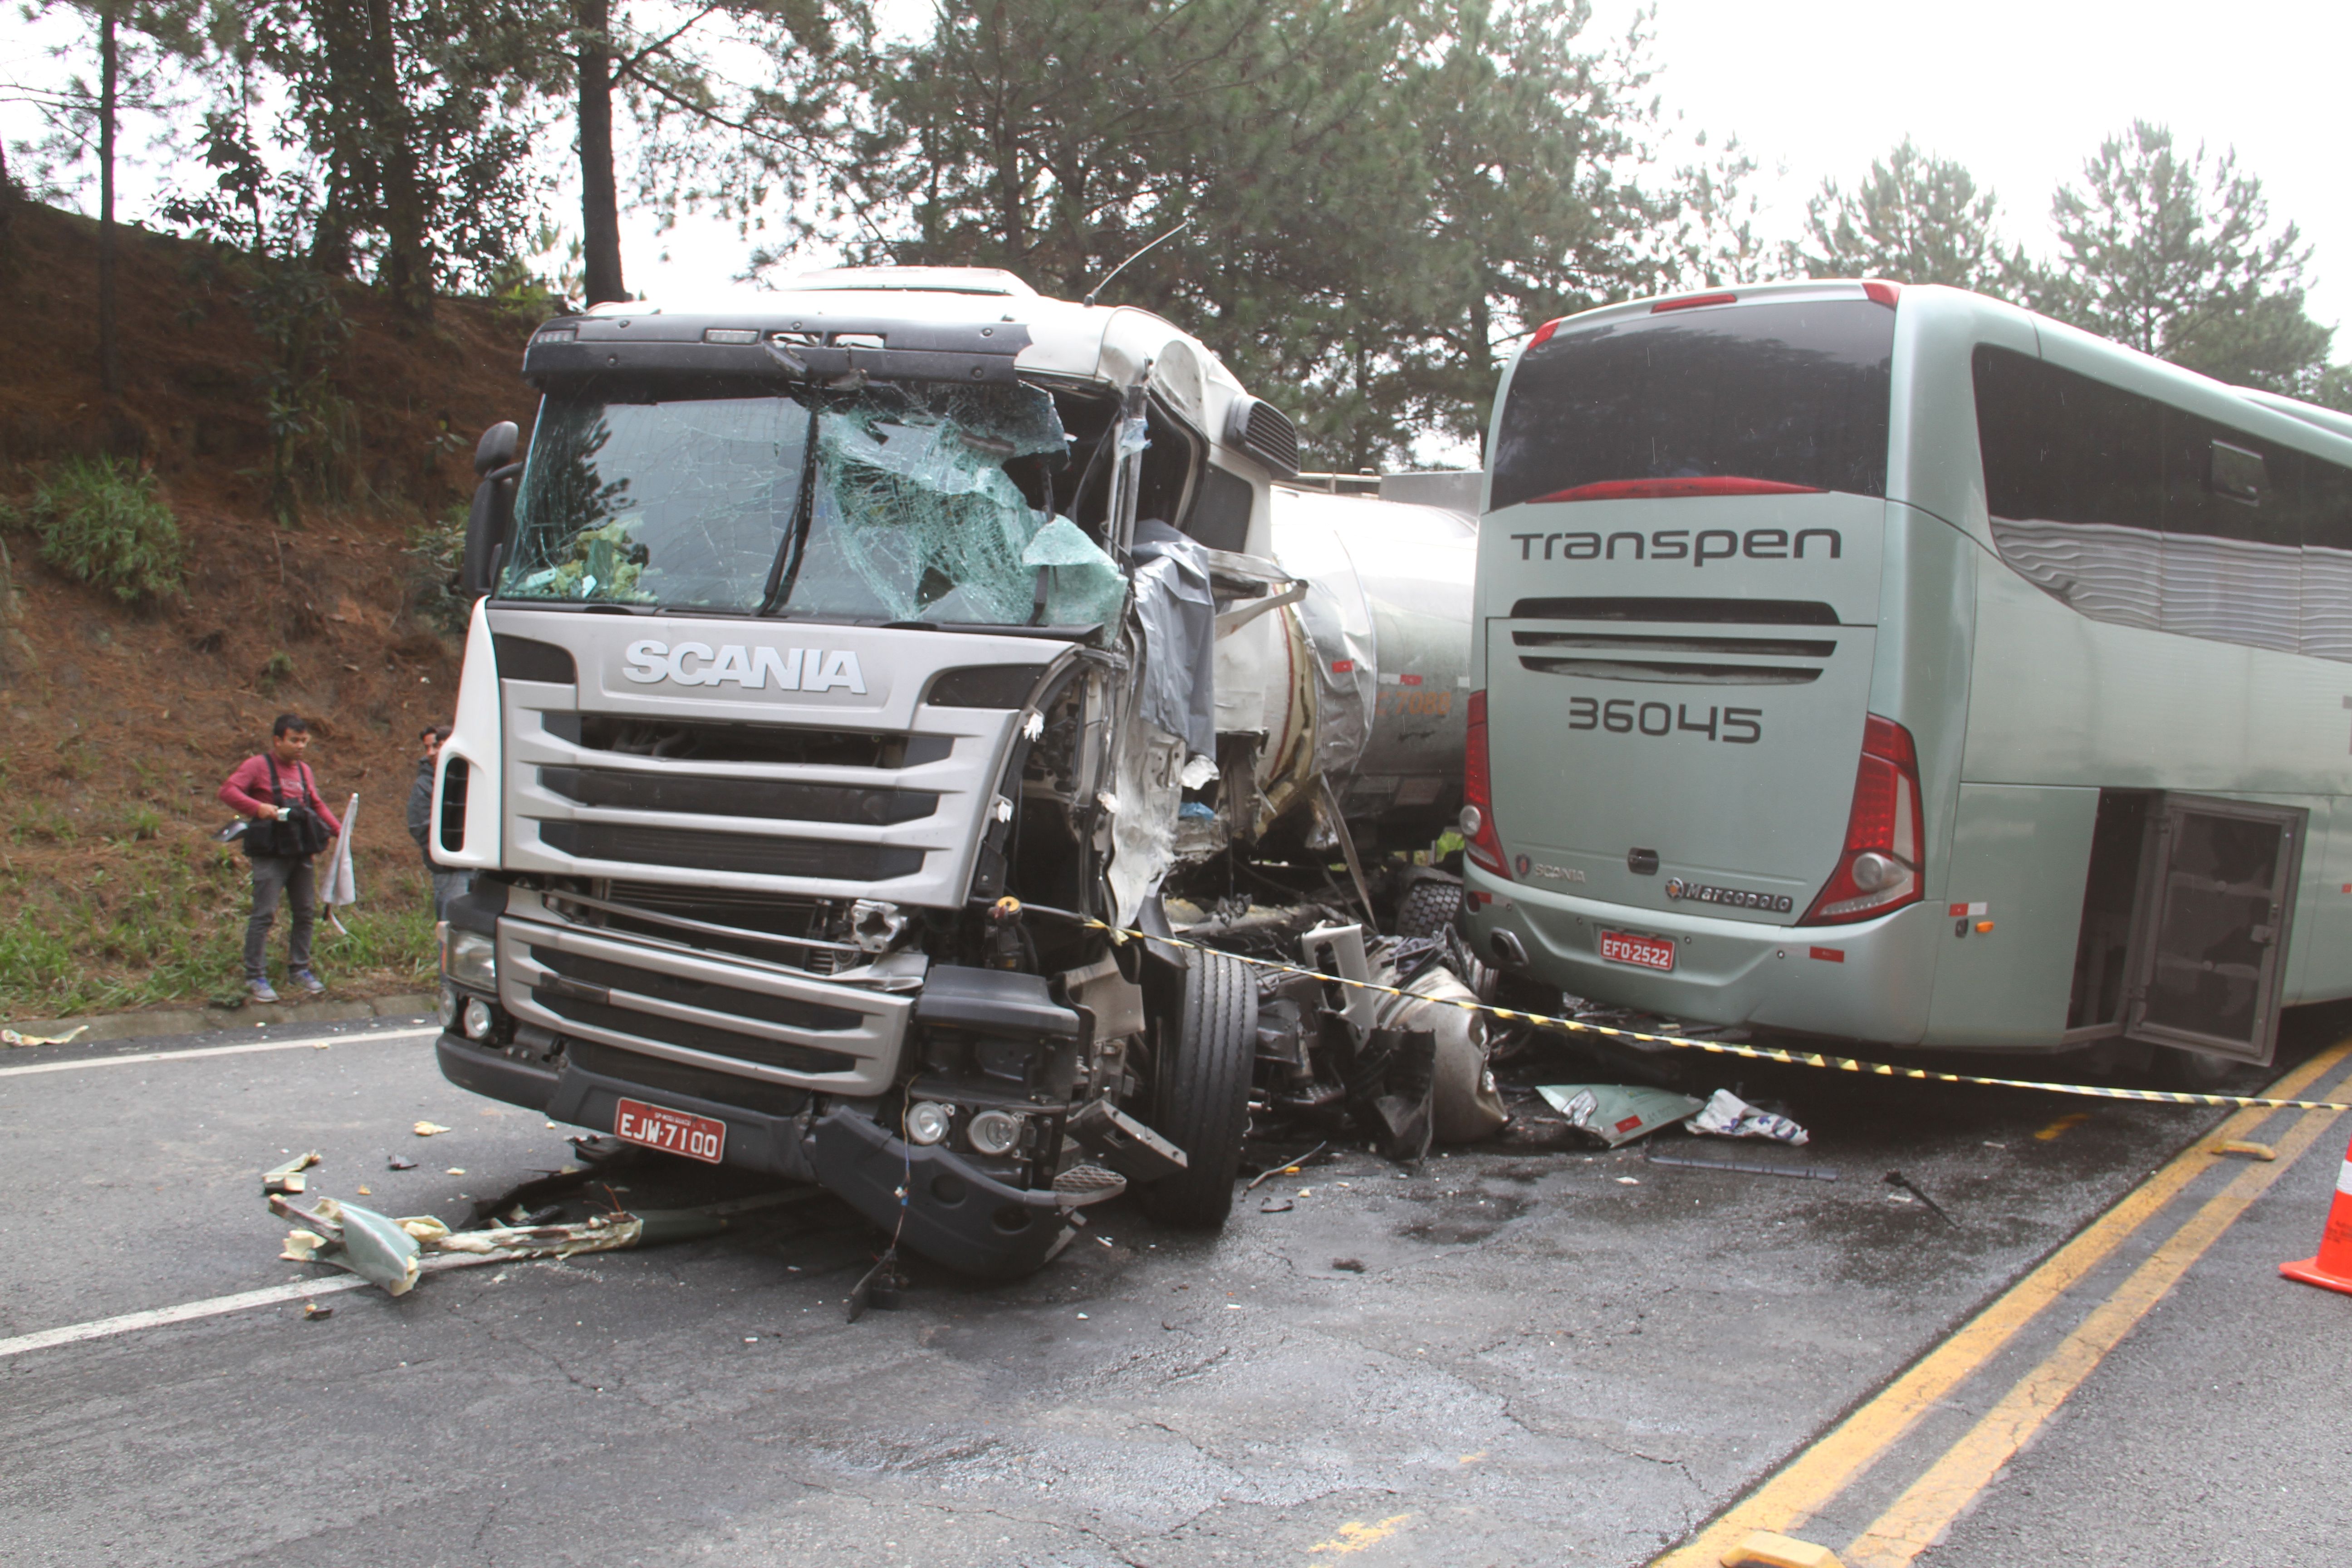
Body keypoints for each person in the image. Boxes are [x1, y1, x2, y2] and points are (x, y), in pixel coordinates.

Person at [220, 714, 344, 1004]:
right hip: (270, 852)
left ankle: (299, 968)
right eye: (294, 740)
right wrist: (258, 807)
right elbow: (228, 791)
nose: (300, 746)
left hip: (300, 850)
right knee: (264, 914)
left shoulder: (304, 771)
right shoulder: (257, 766)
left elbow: (315, 803)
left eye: (304, 741)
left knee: (305, 912)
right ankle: (255, 975)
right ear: (278, 741)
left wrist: (340, 831)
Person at [407, 725, 470, 921]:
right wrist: (447, 852)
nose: (431, 753)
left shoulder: (473, 777)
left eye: (437, 746)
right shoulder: (425, 785)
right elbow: (420, 827)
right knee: (451, 928)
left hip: (481, 871)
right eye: (430, 748)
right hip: (450, 872)